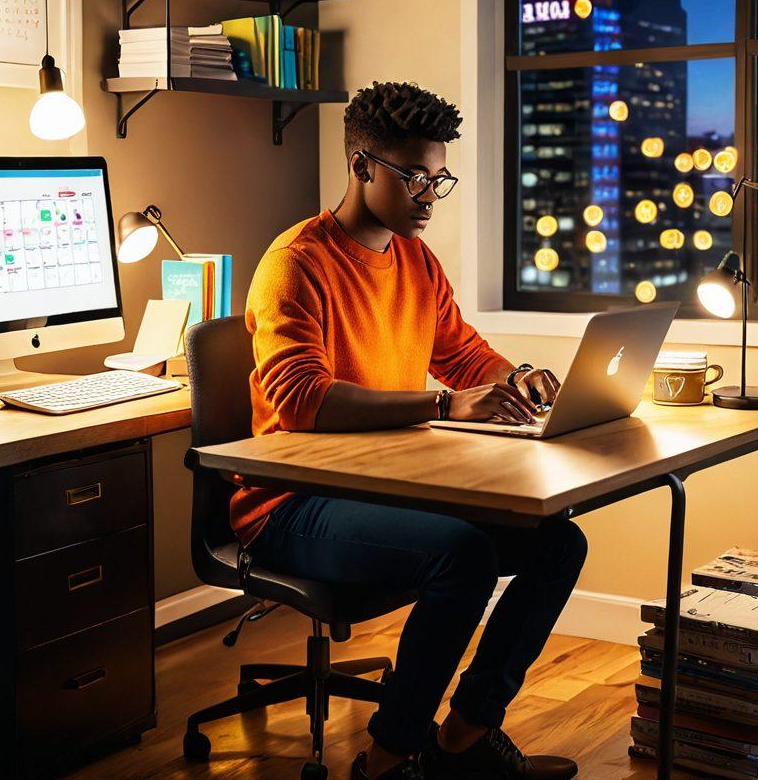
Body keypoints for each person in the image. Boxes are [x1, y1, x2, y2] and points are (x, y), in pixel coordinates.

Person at [233, 81, 587, 780]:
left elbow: (461, 352)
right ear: (362, 166)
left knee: (558, 541)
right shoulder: (296, 264)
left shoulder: (415, 259)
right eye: (414, 177)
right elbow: (300, 399)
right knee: (461, 555)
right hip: (290, 502)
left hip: (387, 482)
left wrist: (519, 379)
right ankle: (389, 760)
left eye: (438, 178)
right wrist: (442, 406)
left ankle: (463, 737)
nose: (429, 195)